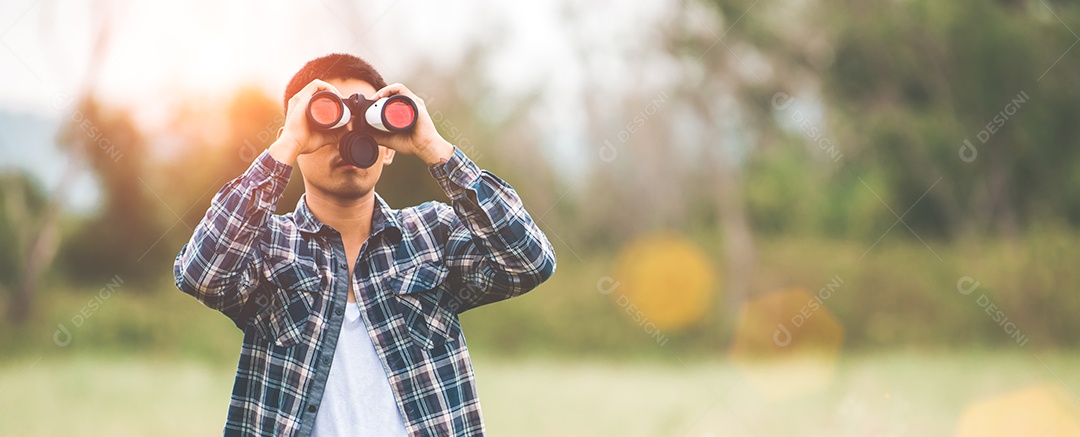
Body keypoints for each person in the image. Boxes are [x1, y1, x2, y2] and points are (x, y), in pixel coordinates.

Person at [174, 53, 556, 436]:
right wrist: (288, 142)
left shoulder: (432, 235)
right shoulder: (269, 246)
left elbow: (530, 262)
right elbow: (201, 273)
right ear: (298, 139)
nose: (348, 140)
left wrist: (433, 146)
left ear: (387, 148)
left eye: (366, 123)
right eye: (327, 118)